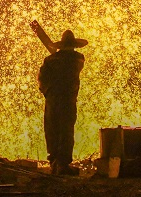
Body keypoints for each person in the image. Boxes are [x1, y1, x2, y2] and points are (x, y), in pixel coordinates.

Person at [38, 29, 87, 175]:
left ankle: (55, 163)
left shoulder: (52, 60)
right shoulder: (77, 58)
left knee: (52, 130)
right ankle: (61, 164)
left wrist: (48, 92)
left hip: (53, 100)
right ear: (74, 45)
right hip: (66, 100)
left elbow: (42, 78)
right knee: (65, 131)